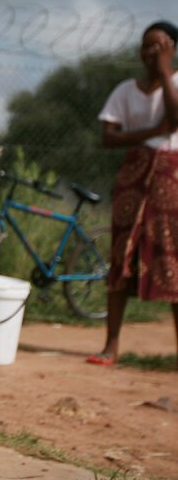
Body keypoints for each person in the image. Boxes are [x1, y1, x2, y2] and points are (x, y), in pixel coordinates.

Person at [90, 21, 178, 366]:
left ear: (172, 49)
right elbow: (108, 136)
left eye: (159, 46)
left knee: (171, 255)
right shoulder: (125, 90)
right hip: (133, 177)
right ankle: (111, 344)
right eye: (146, 45)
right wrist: (151, 131)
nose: (150, 52)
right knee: (122, 251)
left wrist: (166, 72)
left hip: (171, 180)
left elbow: (175, 120)